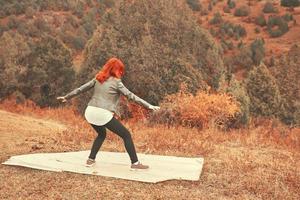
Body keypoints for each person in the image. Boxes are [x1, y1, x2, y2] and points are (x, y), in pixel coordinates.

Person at [57, 57, 160, 170]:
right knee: (126, 135)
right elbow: (131, 96)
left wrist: (67, 97)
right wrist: (149, 106)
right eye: (120, 70)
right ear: (116, 70)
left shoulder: (98, 78)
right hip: (102, 113)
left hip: (90, 111)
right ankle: (135, 163)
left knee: (101, 134)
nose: (121, 72)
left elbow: (81, 89)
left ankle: (90, 160)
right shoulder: (117, 83)